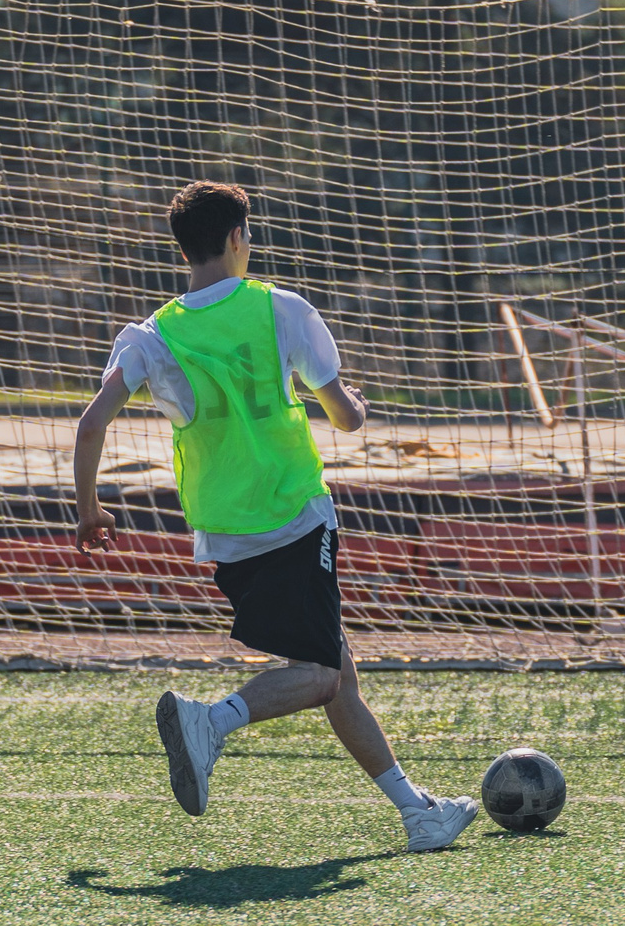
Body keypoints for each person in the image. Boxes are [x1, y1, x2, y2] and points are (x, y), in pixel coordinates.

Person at [71, 181, 480, 852]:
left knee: (335, 667)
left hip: (224, 533)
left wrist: (89, 511)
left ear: (183, 248)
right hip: (294, 516)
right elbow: (344, 415)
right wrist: (358, 406)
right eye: (249, 233)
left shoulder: (150, 335)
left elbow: (91, 425)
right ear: (237, 237)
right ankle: (211, 722)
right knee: (320, 673)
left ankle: (417, 812)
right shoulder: (281, 308)